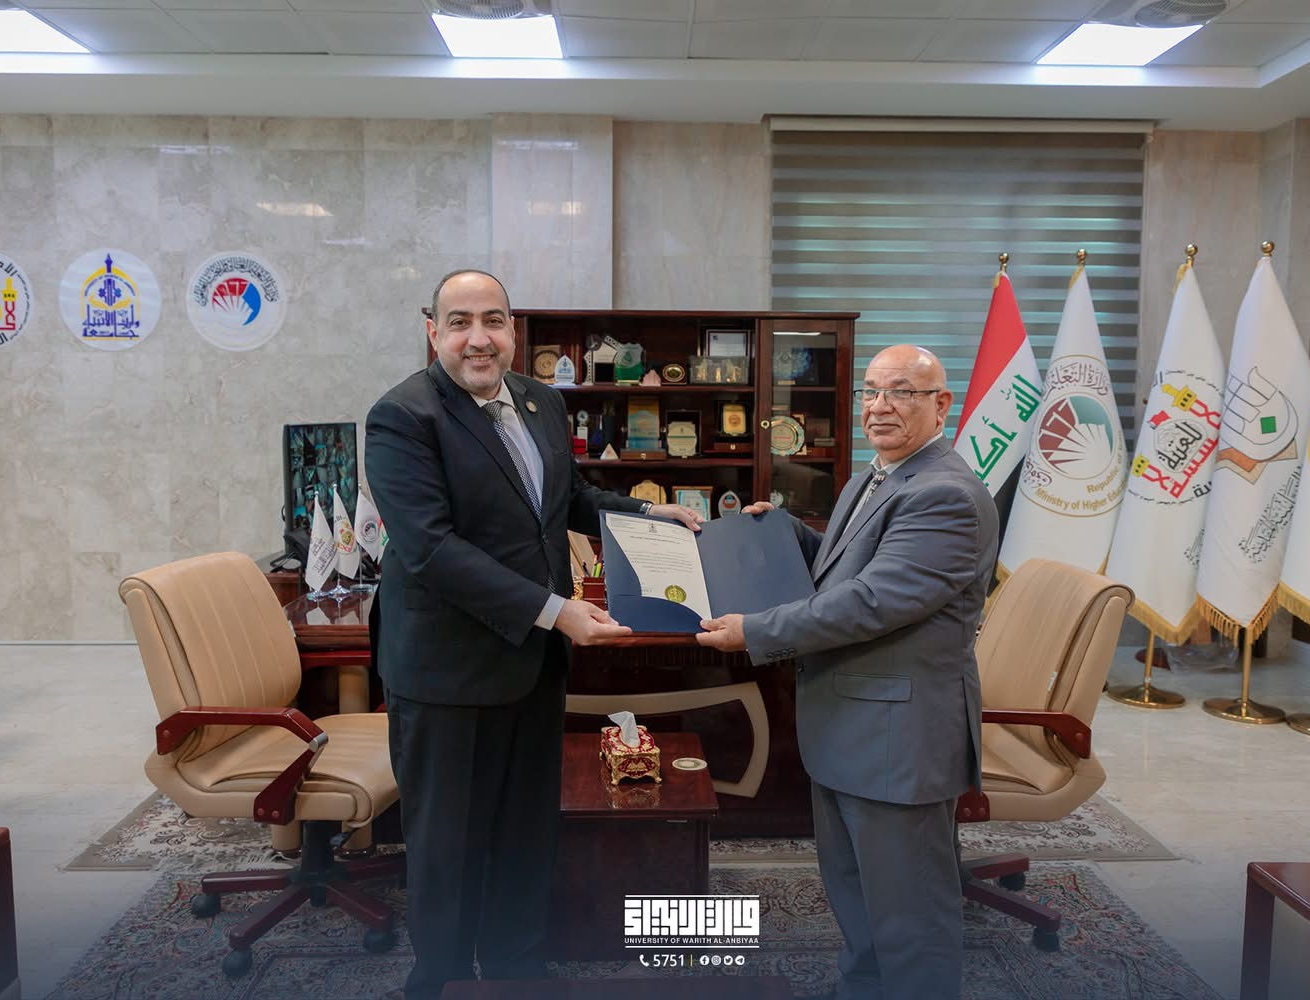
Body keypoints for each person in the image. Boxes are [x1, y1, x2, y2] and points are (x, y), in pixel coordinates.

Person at [364, 269, 702, 998]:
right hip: (448, 670)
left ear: (513, 330)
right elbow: (432, 550)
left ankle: (515, 970)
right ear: (433, 330)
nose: (478, 339)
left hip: (531, 663)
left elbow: (568, 499)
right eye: (460, 322)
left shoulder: (540, 400)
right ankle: (442, 981)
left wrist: (650, 515)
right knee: (449, 844)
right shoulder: (402, 417)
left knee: (525, 831)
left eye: (493, 320)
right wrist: (556, 611)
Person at [697, 344, 998, 1000]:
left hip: (898, 739)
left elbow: (871, 602)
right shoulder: (875, 477)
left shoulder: (945, 495)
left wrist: (756, 631)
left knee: (910, 918)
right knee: (858, 898)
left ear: (941, 405)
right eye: (871, 391)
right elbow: (850, 565)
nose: (880, 407)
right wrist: (787, 534)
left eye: (901, 392)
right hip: (849, 727)